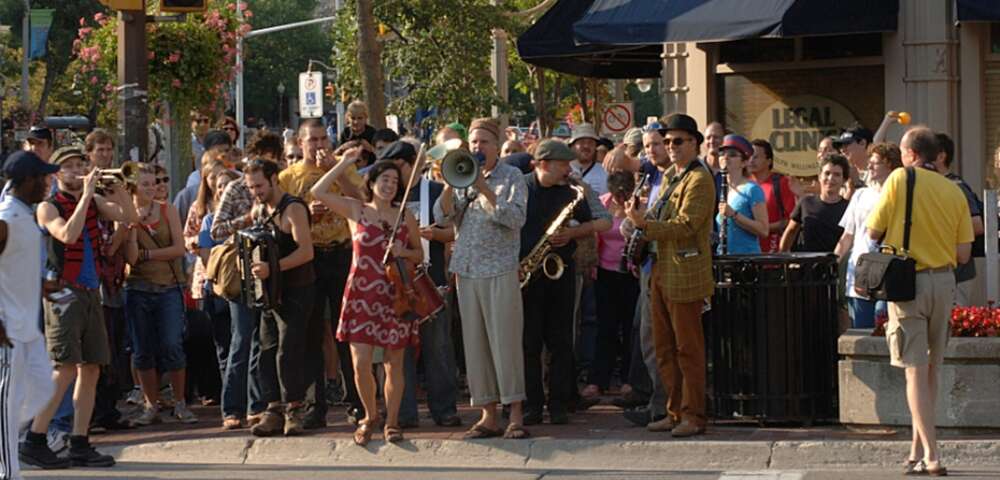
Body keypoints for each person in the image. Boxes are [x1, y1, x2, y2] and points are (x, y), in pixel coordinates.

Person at [867, 127, 973, 476]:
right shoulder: (955, 190)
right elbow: (962, 254)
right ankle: (915, 452)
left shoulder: (899, 178)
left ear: (911, 154)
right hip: (944, 281)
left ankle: (931, 454)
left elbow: (872, 231)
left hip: (907, 283)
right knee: (931, 372)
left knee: (913, 371)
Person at [26, 146, 139, 469]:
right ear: (56, 174)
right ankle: (36, 438)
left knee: (91, 369)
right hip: (62, 293)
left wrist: (121, 192)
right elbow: (68, 235)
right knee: (63, 369)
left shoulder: (92, 202)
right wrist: (88, 196)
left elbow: (130, 219)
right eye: (70, 166)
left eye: (80, 165)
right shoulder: (47, 207)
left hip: (91, 291)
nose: (77, 171)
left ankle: (80, 441)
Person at [310, 158, 422, 445]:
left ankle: (393, 421)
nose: (389, 185)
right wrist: (343, 163)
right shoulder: (356, 209)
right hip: (361, 292)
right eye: (384, 179)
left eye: (395, 181)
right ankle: (370, 415)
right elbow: (318, 191)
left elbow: (419, 255)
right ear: (371, 183)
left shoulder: (404, 215)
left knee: (393, 362)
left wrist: (403, 251)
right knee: (360, 362)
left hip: (394, 293)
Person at [435, 118, 529, 440]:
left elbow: (514, 218)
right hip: (467, 269)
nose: (477, 148)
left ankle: (515, 412)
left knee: (505, 344)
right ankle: (487, 415)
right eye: (473, 143)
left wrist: (484, 188)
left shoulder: (513, 176)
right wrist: (451, 179)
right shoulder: (463, 177)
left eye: (484, 142)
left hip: (500, 268)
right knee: (475, 346)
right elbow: (441, 216)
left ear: (496, 145)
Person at [625, 113, 715, 437]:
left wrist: (643, 225)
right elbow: (660, 217)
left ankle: (694, 415)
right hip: (661, 270)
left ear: (694, 143)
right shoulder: (675, 177)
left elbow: (687, 225)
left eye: (678, 141)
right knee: (663, 348)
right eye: (667, 142)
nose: (671, 147)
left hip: (685, 272)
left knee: (688, 348)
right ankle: (674, 411)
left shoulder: (700, 178)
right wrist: (637, 217)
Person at [277, 119, 364, 429]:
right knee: (311, 333)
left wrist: (338, 172)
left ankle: (358, 403)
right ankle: (316, 406)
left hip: (341, 254)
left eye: (323, 138)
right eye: (312, 140)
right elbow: (280, 219)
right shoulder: (288, 177)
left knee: (346, 331)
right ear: (300, 144)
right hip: (308, 259)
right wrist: (303, 214)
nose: (318, 145)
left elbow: (361, 201)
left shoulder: (343, 166)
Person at [375, 141, 462, 429]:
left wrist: (436, 235)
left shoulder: (435, 191)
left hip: (429, 281)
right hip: (394, 284)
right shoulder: (386, 199)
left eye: (398, 166)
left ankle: (445, 408)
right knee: (398, 350)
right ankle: (403, 411)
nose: (394, 175)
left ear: (412, 164)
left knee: (438, 347)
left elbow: (455, 230)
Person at [519, 140, 599, 425]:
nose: (568, 169)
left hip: (560, 271)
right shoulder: (521, 187)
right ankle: (531, 403)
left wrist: (573, 235)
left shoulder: (571, 193)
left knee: (561, 341)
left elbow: (599, 224)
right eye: (563, 164)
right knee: (529, 342)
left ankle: (558, 403)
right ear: (543, 164)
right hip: (527, 274)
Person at [243, 159, 316, 437]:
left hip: (296, 290)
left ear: (274, 179)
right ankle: (273, 408)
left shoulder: (293, 208)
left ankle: (294, 409)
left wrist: (272, 268)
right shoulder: (260, 208)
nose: (255, 192)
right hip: (270, 293)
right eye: (251, 187)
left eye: (259, 185)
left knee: (289, 351)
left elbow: (306, 252)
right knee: (266, 350)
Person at [124, 165, 196, 427]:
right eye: (144, 184)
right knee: (141, 350)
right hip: (137, 288)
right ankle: (150, 404)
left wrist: (148, 255)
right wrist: (132, 227)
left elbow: (179, 248)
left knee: (172, 345)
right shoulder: (125, 214)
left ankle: (179, 402)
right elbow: (129, 258)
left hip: (168, 288)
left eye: (153, 183)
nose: (151, 188)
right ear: (132, 187)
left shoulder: (167, 210)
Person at [0, 152, 58, 477]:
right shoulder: (6, 216)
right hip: (7, 327)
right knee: (8, 405)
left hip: (26, 324)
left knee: (41, 390)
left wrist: (39, 286)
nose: (48, 182)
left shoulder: (25, 214)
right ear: (26, 181)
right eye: (43, 177)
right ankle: (8, 472)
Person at [834, 143, 901, 329]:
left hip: (889, 272)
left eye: (875, 163)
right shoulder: (860, 195)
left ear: (890, 165)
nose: (869, 166)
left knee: (886, 329)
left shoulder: (900, 196)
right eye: (869, 162)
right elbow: (847, 235)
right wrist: (834, 261)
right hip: (860, 272)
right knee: (861, 332)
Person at [589, 171, 639, 398]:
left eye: (625, 194)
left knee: (630, 327)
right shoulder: (603, 203)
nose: (621, 199)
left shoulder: (639, 204)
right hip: (605, 271)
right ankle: (599, 379)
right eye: (618, 195)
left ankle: (629, 378)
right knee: (605, 327)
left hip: (631, 273)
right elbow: (595, 234)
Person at [933, 133, 984, 306]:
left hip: (958, 275)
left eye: (927, 152)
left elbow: (977, 225)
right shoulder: (929, 185)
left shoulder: (957, 187)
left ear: (941, 156)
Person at [779, 154, 851, 253]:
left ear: (844, 180)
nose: (830, 178)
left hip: (835, 265)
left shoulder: (849, 208)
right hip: (806, 265)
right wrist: (782, 257)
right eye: (827, 173)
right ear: (819, 176)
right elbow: (791, 231)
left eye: (837, 175)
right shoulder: (806, 203)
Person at [716, 135, 768, 254]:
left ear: (744, 162)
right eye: (722, 153)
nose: (725, 157)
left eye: (732, 154)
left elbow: (764, 230)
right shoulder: (722, 189)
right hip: (725, 260)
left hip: (746, 261)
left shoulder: (752, 189)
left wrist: (734, 215)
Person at [748, 139, 795, 253]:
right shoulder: (744, 184)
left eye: (756, 157)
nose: (751, 160)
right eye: (749, 156)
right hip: (747, 251)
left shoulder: (781, 182)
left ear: (769, 161)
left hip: (773, 252)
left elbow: (790, 221)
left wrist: (761, 228)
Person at [832, 125, 873, 199]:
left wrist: (856, 183)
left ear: (862, 143)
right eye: (841, 146)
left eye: (847, 144)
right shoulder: (843, 175)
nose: (842, 150)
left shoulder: (878, 172)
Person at [568, 124, 609, 196]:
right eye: (582, 142)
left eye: (590, 142)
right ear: (572, 146)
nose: (586, 146)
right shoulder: (563, 172)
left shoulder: (605, 172)